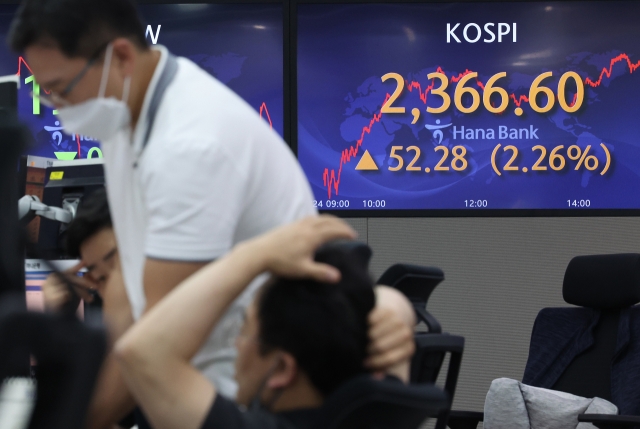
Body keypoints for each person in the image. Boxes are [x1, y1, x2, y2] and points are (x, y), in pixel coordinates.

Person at [10, 2, 415, 427]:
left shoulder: (190, 144)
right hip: (196, 384)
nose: (56, 106)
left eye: (60, 88)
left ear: (122, 58)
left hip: (239, 393)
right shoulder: (124, 118)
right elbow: (132, 300)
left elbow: (150, 340)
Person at [116, 216, 417, 429]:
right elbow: (394, 303)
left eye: (244, 332)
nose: (236, 346)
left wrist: (252, 256)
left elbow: (141, 351)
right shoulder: (378, 413)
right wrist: (390, 314)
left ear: (283, 368)